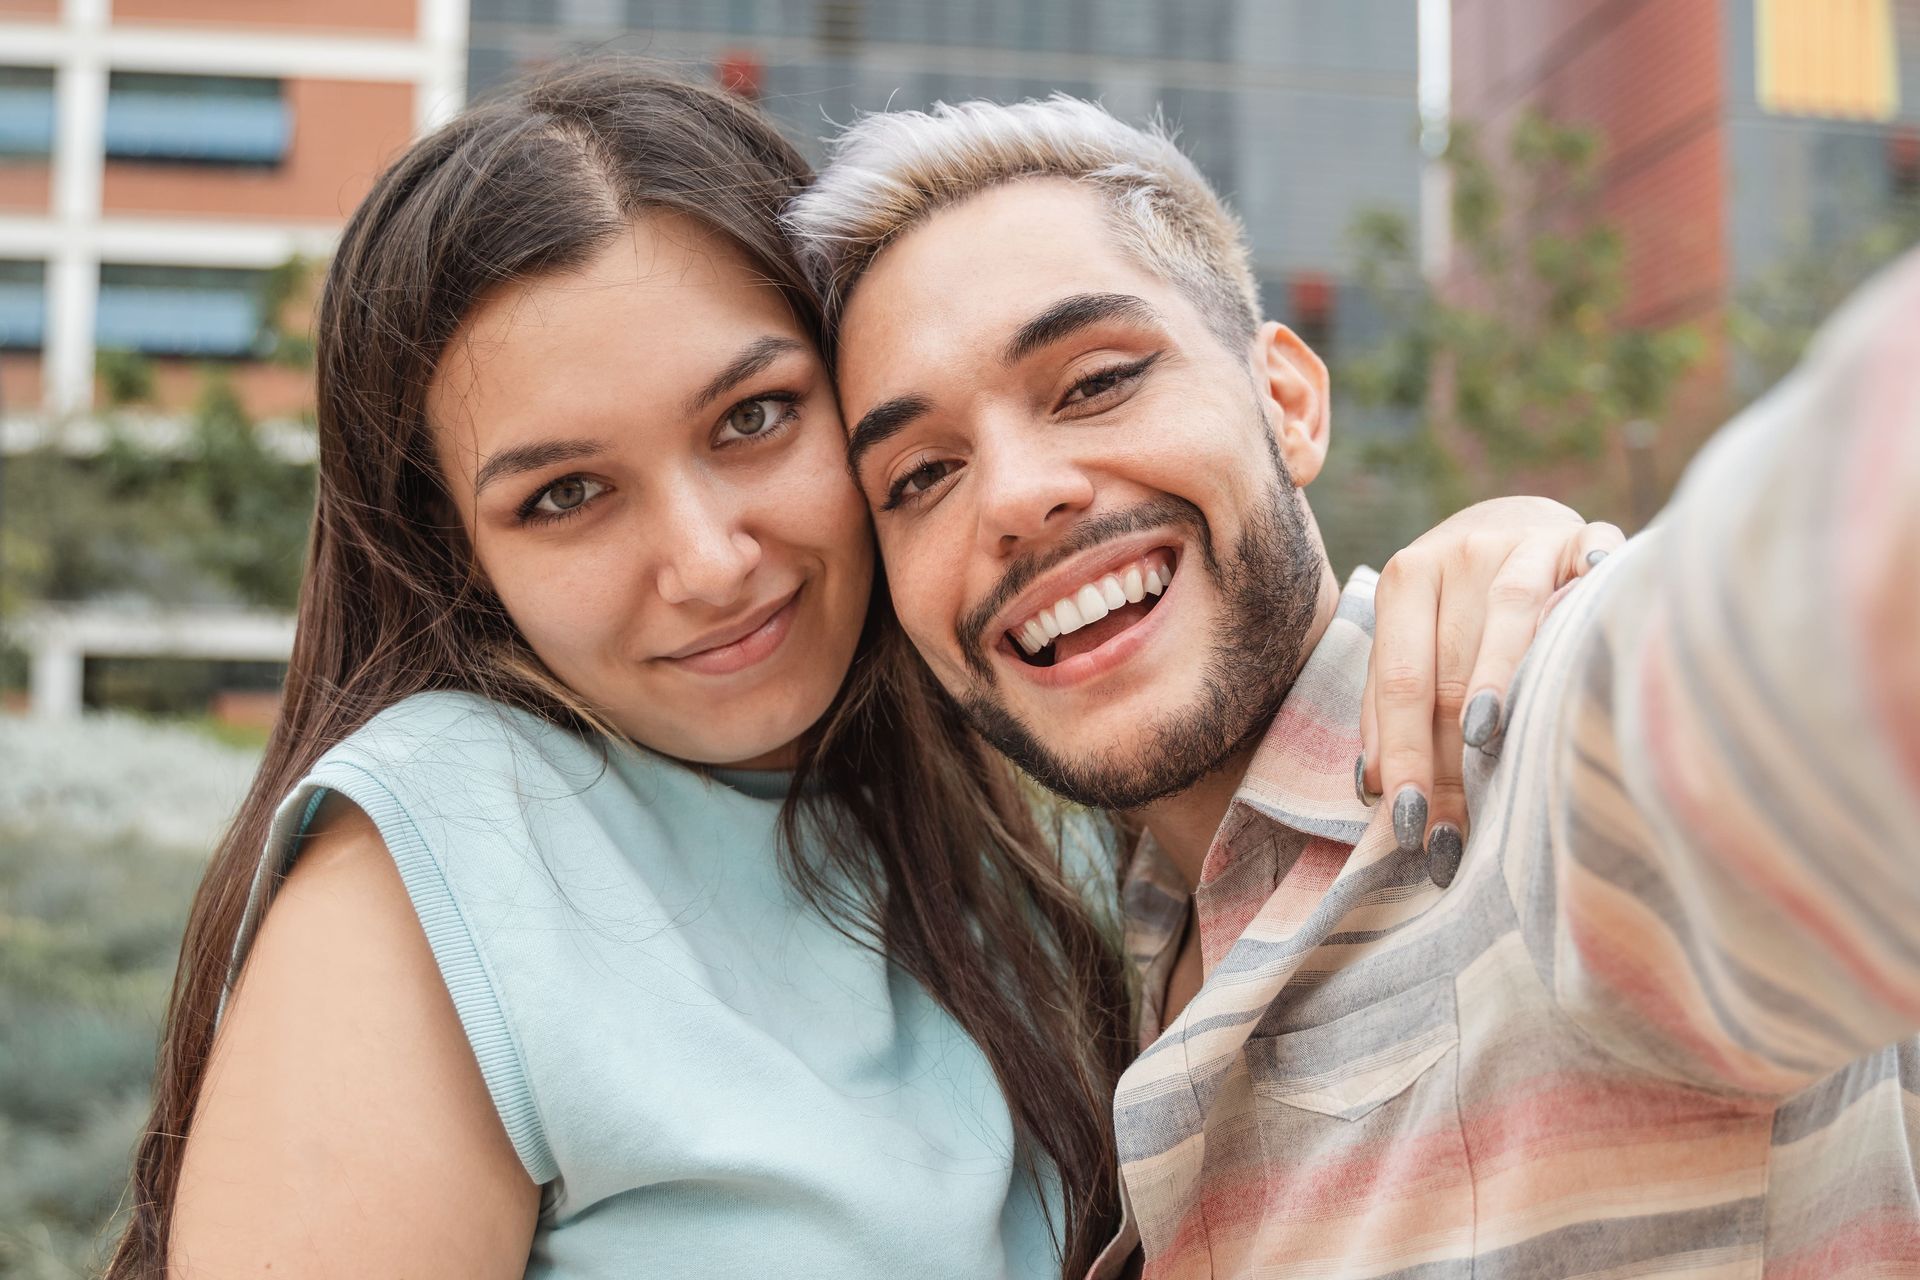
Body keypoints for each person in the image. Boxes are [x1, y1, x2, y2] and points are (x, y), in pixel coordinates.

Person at [114, 65, 1610, 1279]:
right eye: (564, 496)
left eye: (755, 418)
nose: (705, 558)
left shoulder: (1041, 841)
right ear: (463, 557)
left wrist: (1535, 561)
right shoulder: (442, 843)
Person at [789, 95, 1920, 1277]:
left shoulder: (1522, 759)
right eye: (920, 474)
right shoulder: (1071, 965)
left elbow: (1800, 635)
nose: (1016, 496)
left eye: (1095, 381)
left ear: (1287, 402)